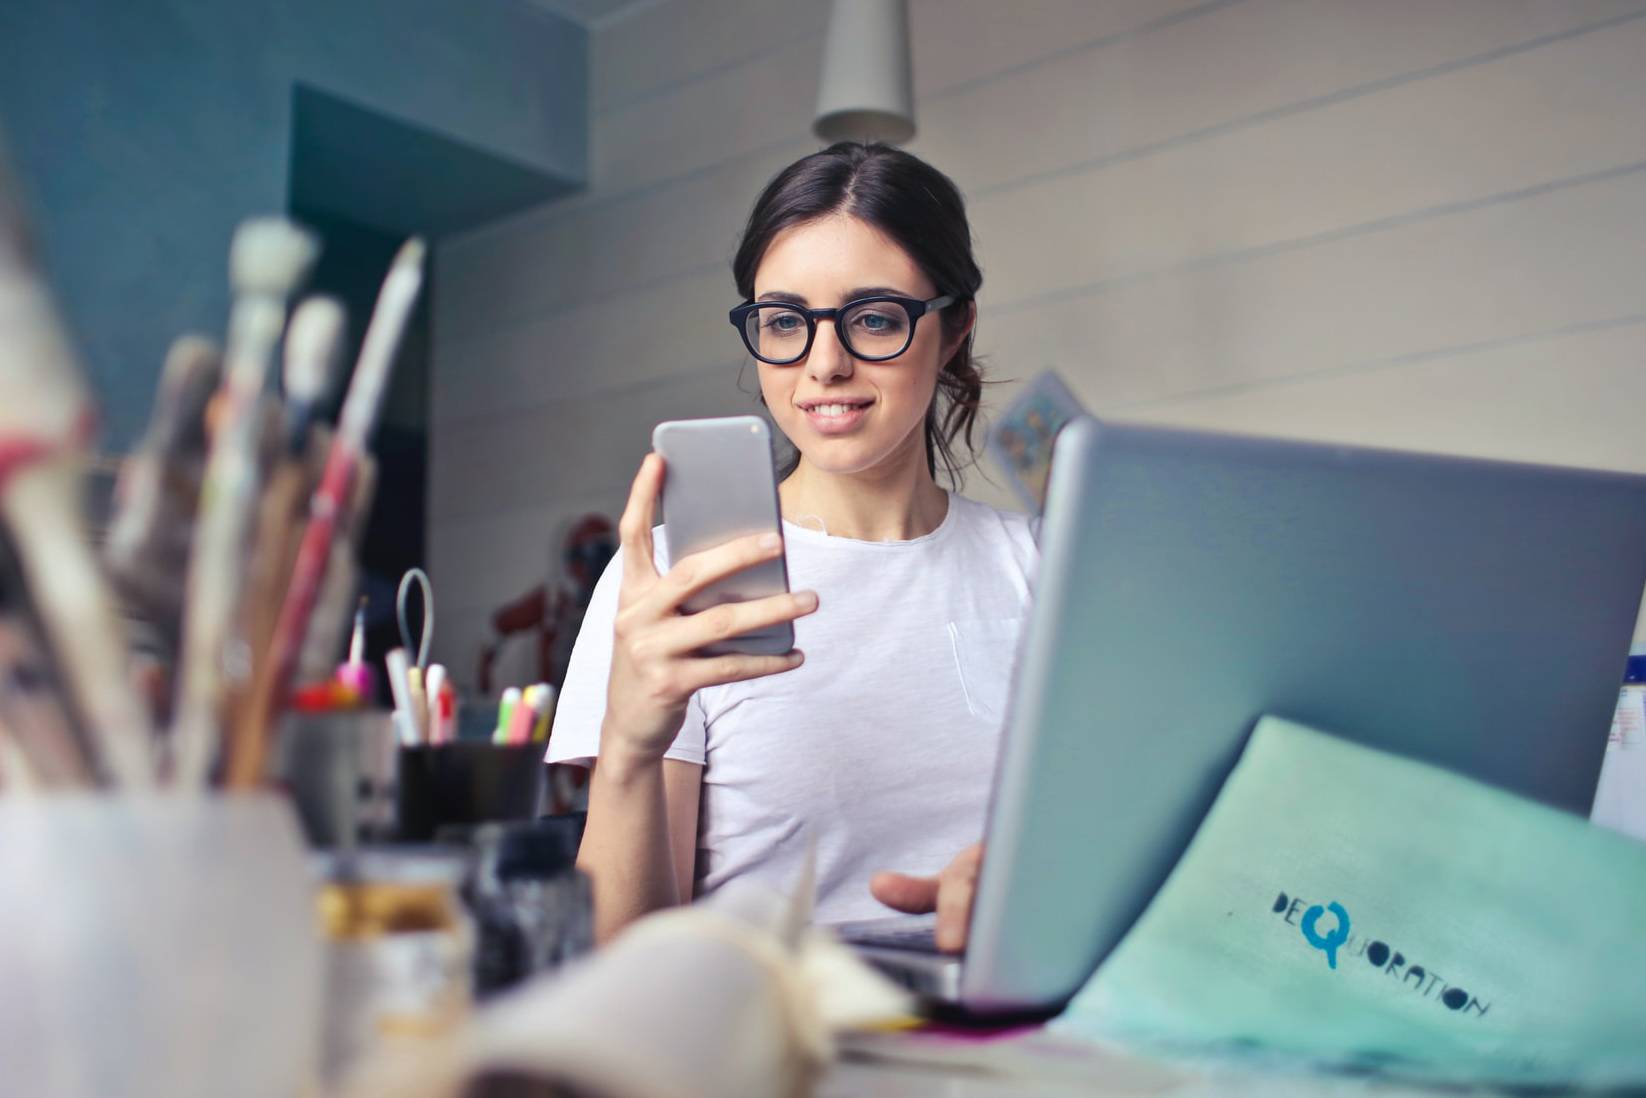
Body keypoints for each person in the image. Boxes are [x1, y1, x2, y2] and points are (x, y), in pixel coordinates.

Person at [549, 142, 1038, 950]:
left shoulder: (1043, 570)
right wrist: (630, 746)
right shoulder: (676, 582)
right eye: (784, 322)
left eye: (874, 318)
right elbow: (622, 959)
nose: (824, 364)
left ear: (953, 331)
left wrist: (1033, 884)